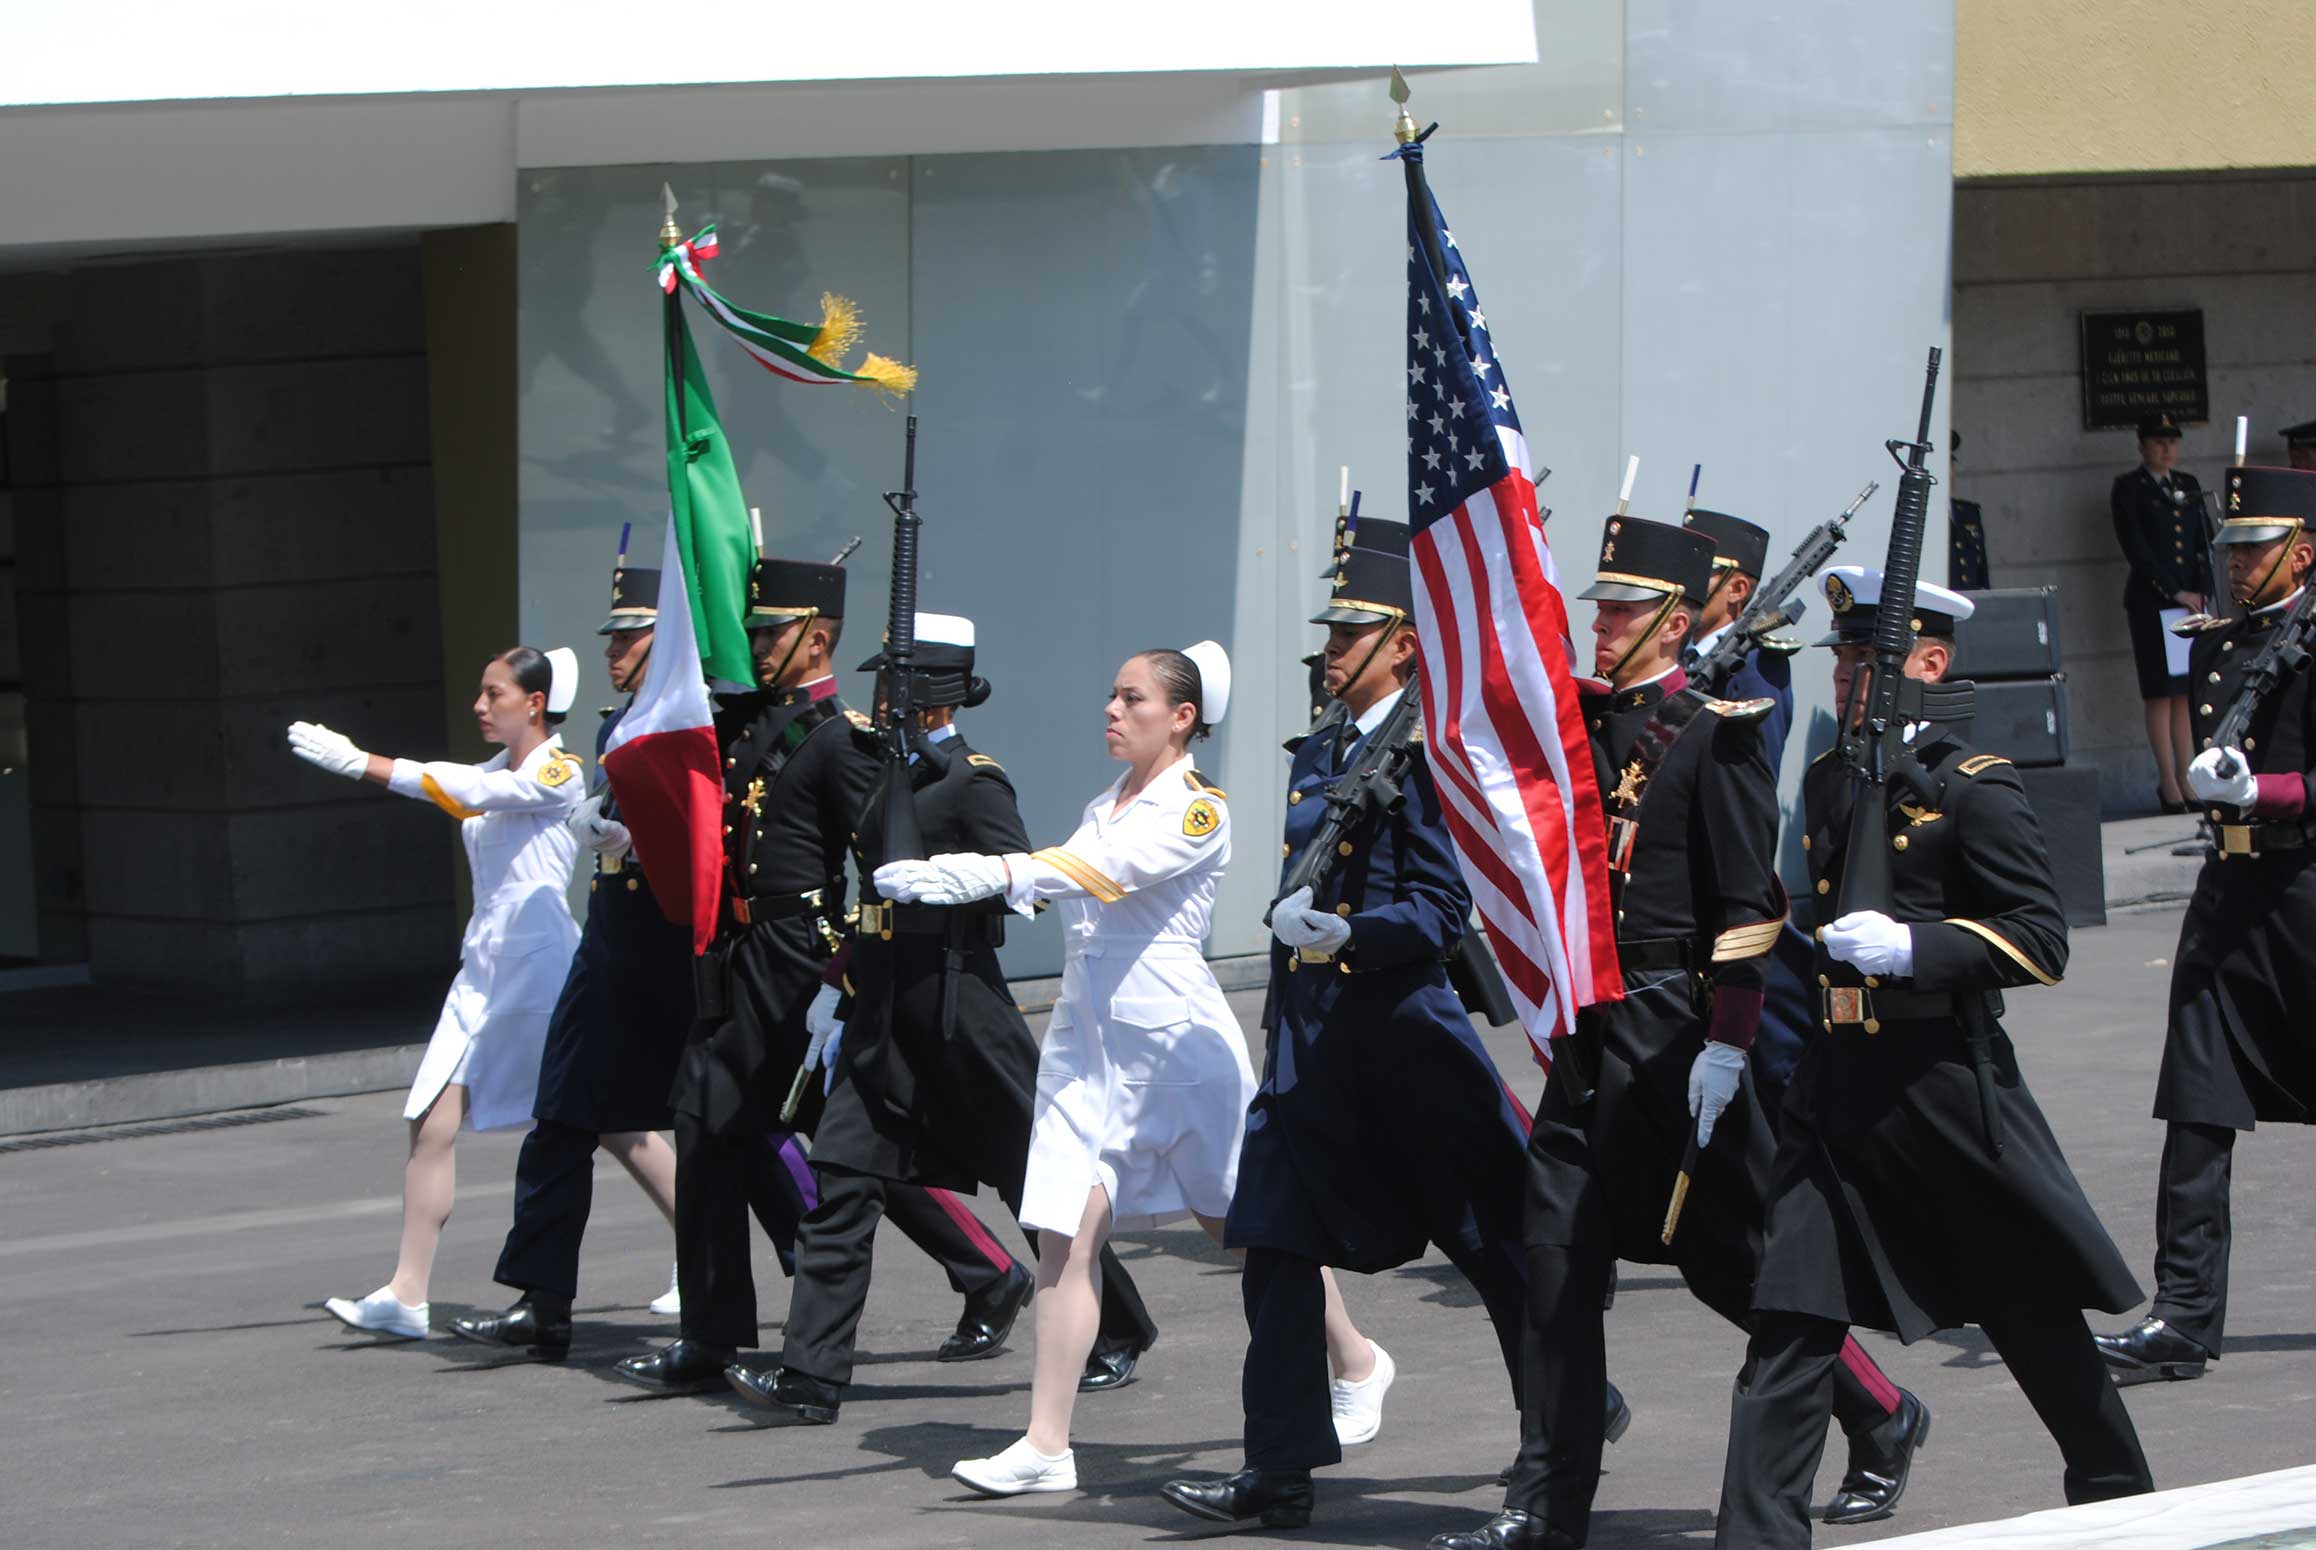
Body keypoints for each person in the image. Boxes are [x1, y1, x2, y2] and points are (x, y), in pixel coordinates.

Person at [1433, 522, 1919, 1550]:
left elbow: (1750, 900)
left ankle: (1877, 1410)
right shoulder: (1584, 728)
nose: (1599, 623)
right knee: (1554, 1262)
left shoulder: (1716, 731)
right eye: (1597, 604)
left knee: (1732, 1261)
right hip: (1591, 1031)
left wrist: (1730, 1042)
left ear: (1675, 617)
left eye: (1619, 607)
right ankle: (1547, 1508)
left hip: (1678, 1027)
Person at [880, 643, 1382, 1498]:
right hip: (1090, 1051)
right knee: (1062, 1240)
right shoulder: (1104, 801)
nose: (1112, 711)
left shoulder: (1197, 811)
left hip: (1177, 1054)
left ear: (1183, 717)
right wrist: (993, 881)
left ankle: (1358, 1359)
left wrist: (979, 873)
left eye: (1133, 698)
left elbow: (1098, 875)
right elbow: (1068, 877)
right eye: (1111, 696)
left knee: (1248, 1231)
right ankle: (1046, 1444)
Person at [1715, 566, 2152, 1548]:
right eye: (1841, 656)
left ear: (1931, 661)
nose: (1847, 674)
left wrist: (1916, 948)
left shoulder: (1973, 786)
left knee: (2031, 1318)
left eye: (1868, 657)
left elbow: (2041, 938)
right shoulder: (1831, 779)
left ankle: (2130, 1506)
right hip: (1835, 1089)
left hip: (1943, 1084)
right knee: (1789, 1325)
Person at [1159, 525, 1534, 1531]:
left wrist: (1347, 934)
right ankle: (1276, 1471)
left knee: (1498, 1249)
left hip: (1405, 1046)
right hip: (1312, 1048)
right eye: (1332, 628)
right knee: (1274, 1240)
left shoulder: (1429, 752)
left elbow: (1440, 910)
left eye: (1354, 630)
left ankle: (1567, 1416)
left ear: (1407, 643)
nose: (1333, 646)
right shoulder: (1325, 743)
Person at [613, 556, 1048, 1394]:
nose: (755, 645)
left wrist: (856, 954)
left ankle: (987, 1269)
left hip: (806, 959)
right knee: (710, 1123)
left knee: (858, 1146)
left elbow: (888, 852)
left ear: (816, 639)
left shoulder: (839, 737)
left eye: (770, 631)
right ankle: (712, 1335)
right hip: (743, 958)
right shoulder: (757, 723)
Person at [724, 612, 1159, 1424]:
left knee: (1035, 1184)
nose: (881, 692)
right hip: (883, 1001)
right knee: (844, 1180)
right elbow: (866, 893)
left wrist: (959, 876)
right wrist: (834, 983)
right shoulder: (880, 772)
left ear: (933, 692)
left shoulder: (973, 780)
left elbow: (1020, 878)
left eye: (896, 678)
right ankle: (813, 1379)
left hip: (961, 1004)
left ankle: (1120, 1327)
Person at [291, 646, 589, 1339]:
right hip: (483, 971)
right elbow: (465, 788)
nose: (481, 706)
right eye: (481, 694)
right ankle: (406, 1293)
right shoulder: (485, 771)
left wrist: (363, 763)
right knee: (429, 1121)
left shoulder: (558, 770)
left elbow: (464, 793)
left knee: (613, 1127)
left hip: (540, 972)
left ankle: (691, 1272)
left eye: (495, 694)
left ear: (535, 703)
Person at [2097, 464, 2316, 1386]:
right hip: (2230, 890)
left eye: (2253, 550)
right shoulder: (2219, 641)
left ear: (2301, 553)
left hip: (2307, 893)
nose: (2235, 566)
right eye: (2229, 549)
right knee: (2197, 1102)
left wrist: (2266, 791)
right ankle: (2184, 1316)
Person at [449, 562, 691, 1360]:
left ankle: (970, 1265)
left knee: (747, 1134)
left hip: (672, 946)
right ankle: (543, 1302)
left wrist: (636, 842)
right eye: (614, 638)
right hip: (610, 943)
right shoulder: (618, 725)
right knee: (561, 1119)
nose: (616, 651)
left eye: (632, 637)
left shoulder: (693, 722)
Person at [2112, 411, 2209, 813]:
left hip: (2191, 604)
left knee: (2184, 694)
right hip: (2154, 604)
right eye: (2157, 442)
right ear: (2142, 446)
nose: (2166, 449)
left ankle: (2188, 778)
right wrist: (2175, 590)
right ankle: (2168, 782)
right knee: (2159, 695)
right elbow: (2136, 548)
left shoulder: (2188, 485)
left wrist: (2202, 590)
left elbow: (2202, 541)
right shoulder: (2129, 489)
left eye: (2172, 442)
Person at [1680, 507, 1798, 767]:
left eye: (1697, 571)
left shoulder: (1756, 668)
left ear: (1737, 590)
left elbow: (1752, 782)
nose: (1683, 583)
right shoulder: (1675, 654)